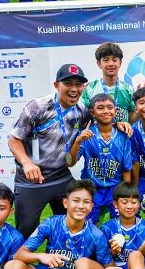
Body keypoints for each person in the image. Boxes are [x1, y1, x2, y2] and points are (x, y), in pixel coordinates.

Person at [8, 63, 90, 238]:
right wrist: (27, 163)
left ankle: (66, 258)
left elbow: (103, 119)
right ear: (56, 85)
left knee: (73, 222)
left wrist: (120, 123)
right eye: (68, 83)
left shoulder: (82, 110)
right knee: (26, 229)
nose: (74, 89)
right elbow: (14, 139)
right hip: (32, 179)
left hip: (61, 176)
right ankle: (18, 263)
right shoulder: (38, 107)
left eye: (78, 84)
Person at [67, 93, 134, 223]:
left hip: (115, 188)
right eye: (100, 108)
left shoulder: (123, 136)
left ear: (116, 111)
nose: (106, 111)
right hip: (91, 188)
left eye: (110, 107)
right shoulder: (86, 135)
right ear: (92, 112)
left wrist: (126, 193)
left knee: (120, 224)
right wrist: (78, 141)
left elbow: (127, 168)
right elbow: (70, 162)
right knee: (88, 225)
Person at [80, 43, 136, 124]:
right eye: (106, 60)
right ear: (99, 64)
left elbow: (131, 120)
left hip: (122, 135)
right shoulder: (90, 89)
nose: (110, 64)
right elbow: (80, 118)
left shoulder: (128, 89)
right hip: (97, 135)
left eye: (114, 60)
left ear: (120, 63)